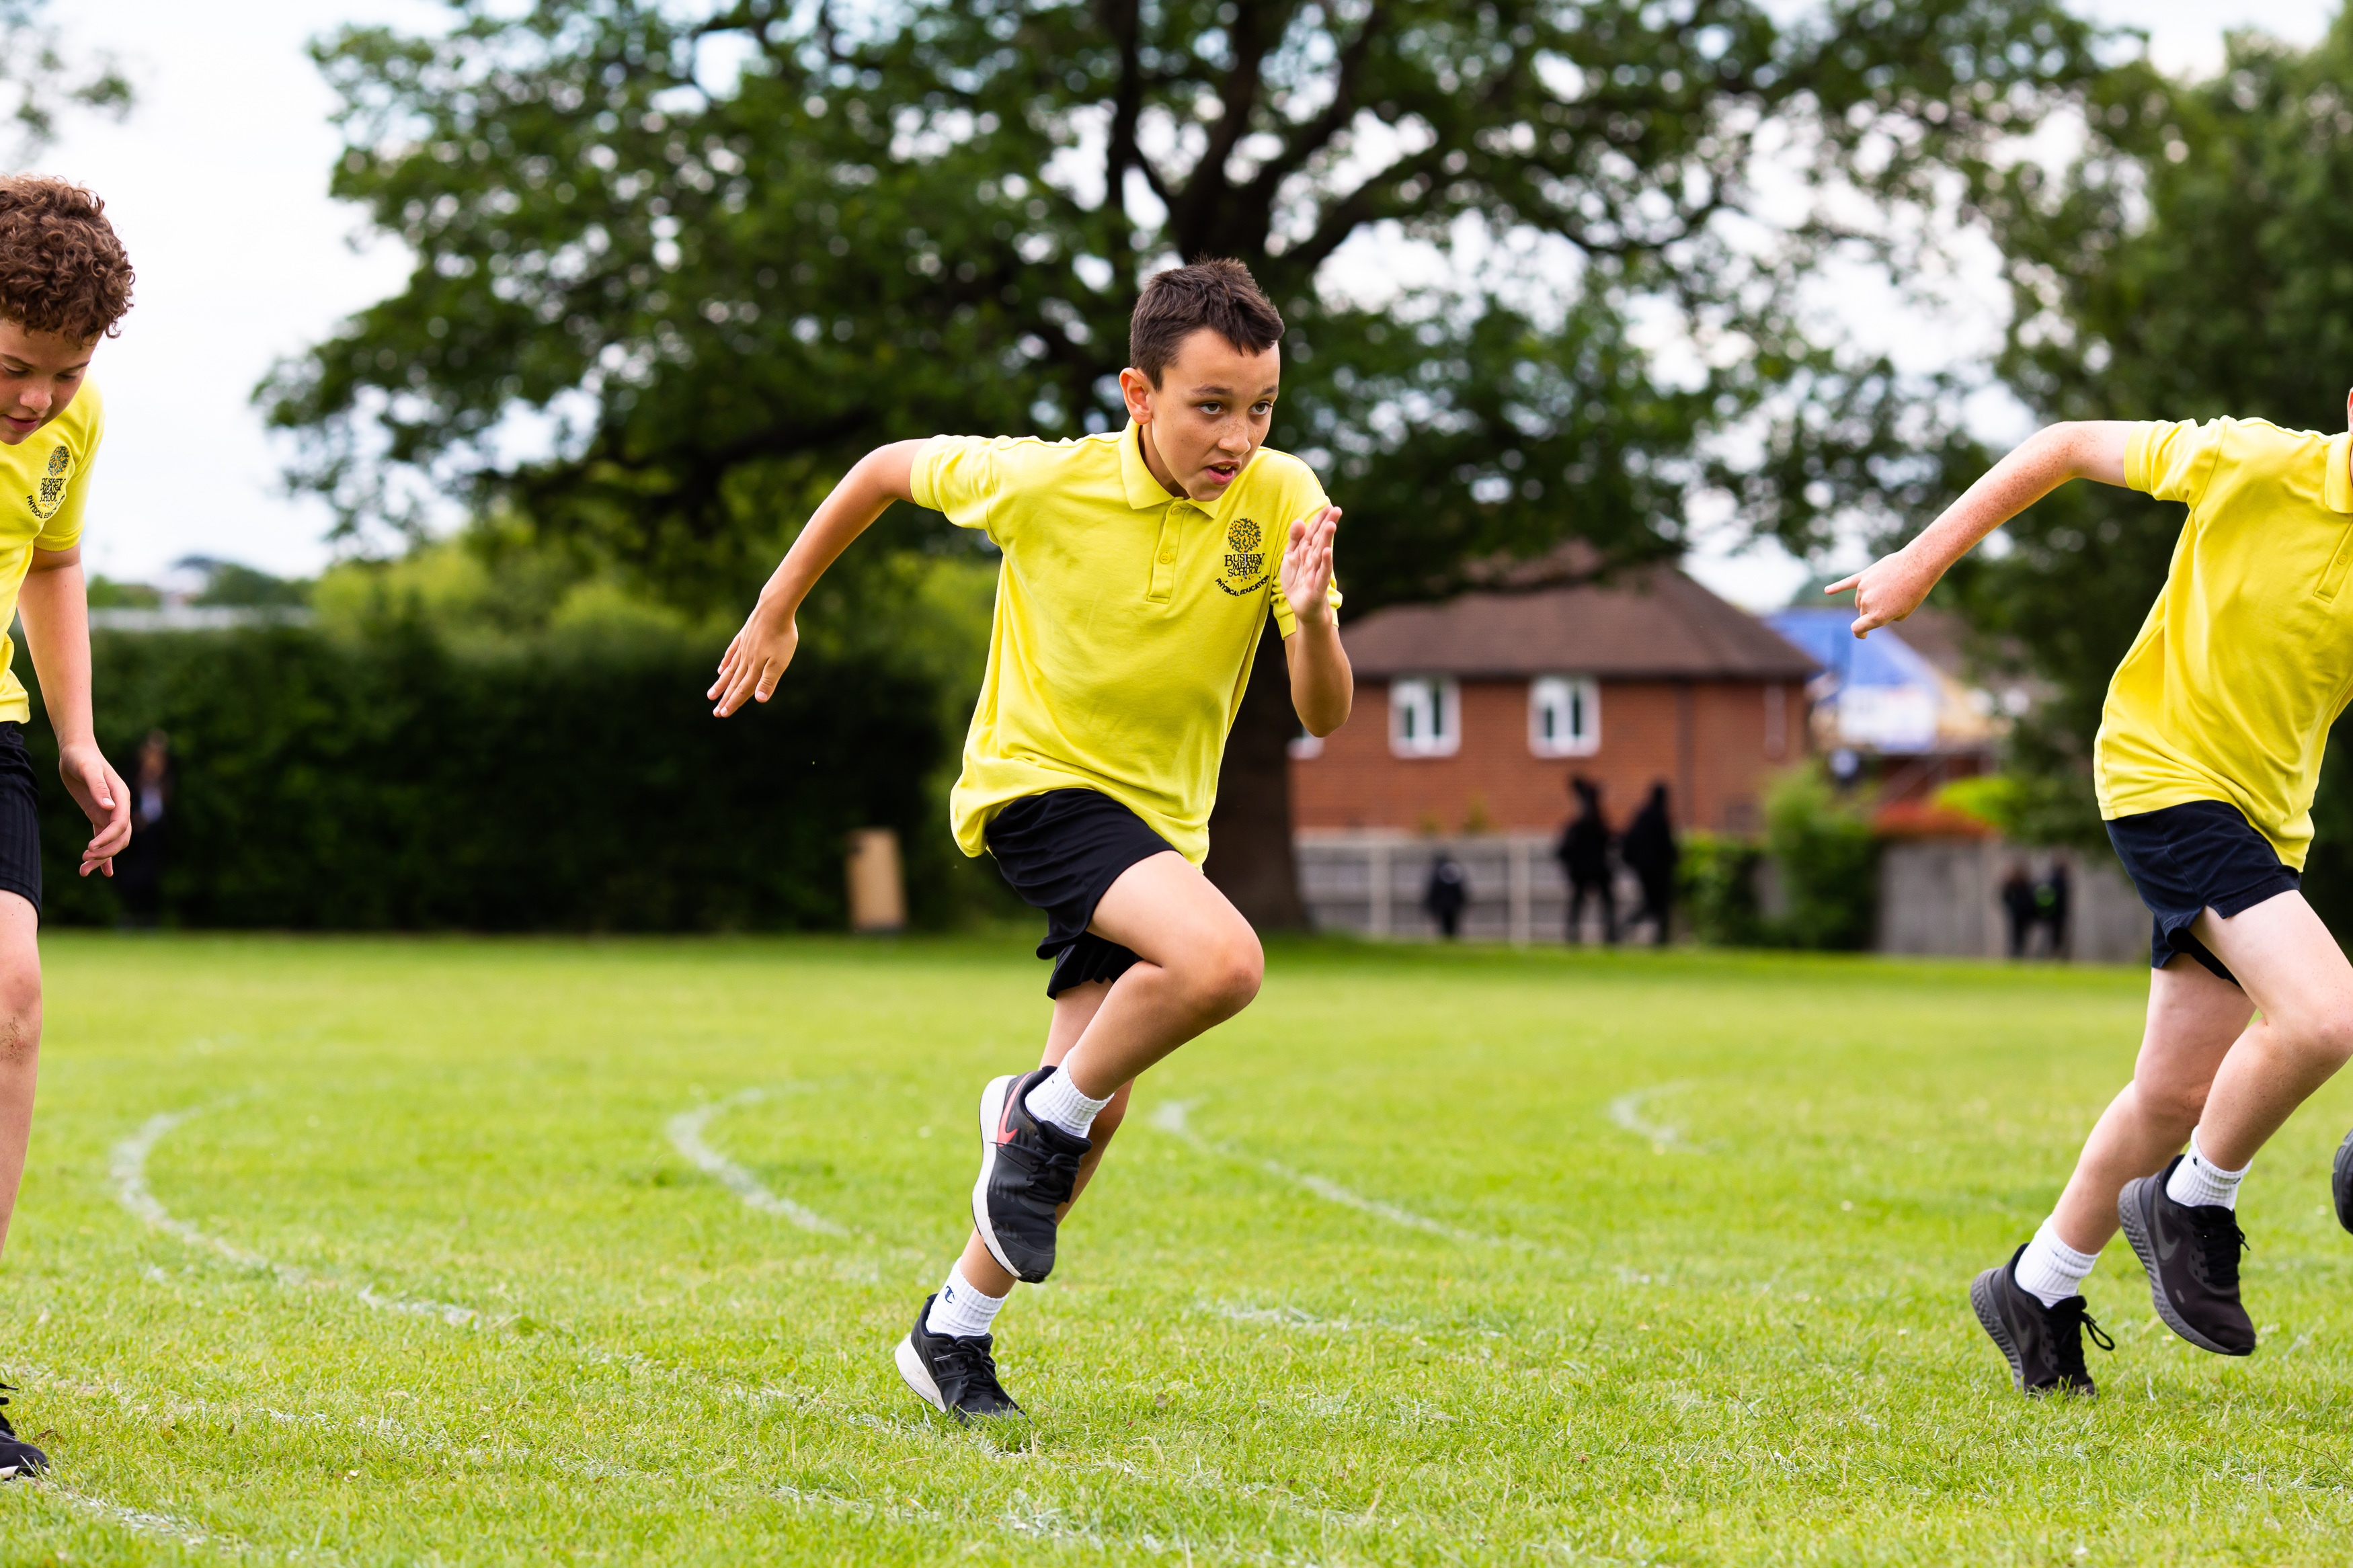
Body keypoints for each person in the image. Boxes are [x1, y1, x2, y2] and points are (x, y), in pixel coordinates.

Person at [708, 259, 1349, 1420]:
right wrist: (776, 604)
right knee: (1221, 965)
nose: (1238, 437)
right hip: (1038, 790)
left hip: (1162, 832)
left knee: (1097, 1116)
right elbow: (883, 469)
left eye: (1261, 408)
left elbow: (1322, 713)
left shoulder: (1284, 496)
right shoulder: (1046, 481)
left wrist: (1308, 621)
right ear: (1138, 394)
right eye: (1210, 406)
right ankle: (1035, 1106)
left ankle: (951, 1332)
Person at [1831, 403, 2353, 1397]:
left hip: (2267, 820)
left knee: (2173, 1095)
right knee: (2325, 1016)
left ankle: (2036, 1288)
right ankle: (2194, 1199)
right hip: (2165, 775)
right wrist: (1919, 562)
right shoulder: (2252, 462)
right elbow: (2065, 445)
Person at [0, 179, 137, 1477]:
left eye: (67, 370)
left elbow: (51, 559)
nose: (39, 397)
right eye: (13, 368)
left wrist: (77, 735)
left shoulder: (71, 417)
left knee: (12, 999)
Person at [112, 729, 170, 928]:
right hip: (136, 832)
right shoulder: (134, 774)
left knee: (152, 875)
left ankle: (149, 916)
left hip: (156, 833)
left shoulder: (166, 777)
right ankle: (129, 914)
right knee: (131, 874)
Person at [1619, 782, 1679, 947]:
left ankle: (1657, 937)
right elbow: (1666, 844)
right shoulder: (1659, 816)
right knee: (1657, 904)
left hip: (1644, 868)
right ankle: (1659, 938)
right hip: (1656, 870)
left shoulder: (1643, 815)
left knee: (1653, 904)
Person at [1556, 775, 1614, 944]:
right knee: (1602, 902)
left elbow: (1563, 850)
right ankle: (1608, 934)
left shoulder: (1581, 824)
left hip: (1584, 869)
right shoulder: (1595, 823)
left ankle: (1575, 934)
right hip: (1594, 868)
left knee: (1580, 903)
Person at [1423, 853, 1468, 939]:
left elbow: (1434, 889)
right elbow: (1460, 889)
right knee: (1452, 922)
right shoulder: (1454, 870)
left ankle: (1447, 936)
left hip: (1442, 903)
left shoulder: (1438, 872)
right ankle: (1451, 936)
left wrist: (1431, 902)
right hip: (1454, 903)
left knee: (1445, 923)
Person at [2000, 860, 2037, 960]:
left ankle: (2020, 955)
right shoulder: (2011, 885)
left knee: (2023, 936)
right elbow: (2005, 897)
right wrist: (2013, 907)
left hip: (2025, 915)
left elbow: (2030, 899)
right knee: (2015, 936)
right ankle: (2015, 955)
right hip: (2016, 915)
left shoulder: (2026, 884)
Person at [2037, 858, 2072, 960]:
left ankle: (2052, 955)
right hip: (2056, 914)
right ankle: (2052, 956)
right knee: (2055, 937)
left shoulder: (2053, 880)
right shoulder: (2057, 881)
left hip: (2053, 914)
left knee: (2052, 937)